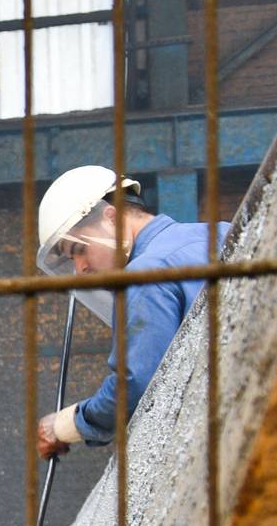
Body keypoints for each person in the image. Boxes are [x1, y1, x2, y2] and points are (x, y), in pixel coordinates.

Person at [31, 165, 227, 458]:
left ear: (111, 218)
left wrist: (64, 425)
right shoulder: (221, 231)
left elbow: (135, 387)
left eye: (79, 250)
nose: (80, 269)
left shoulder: (144, 276)